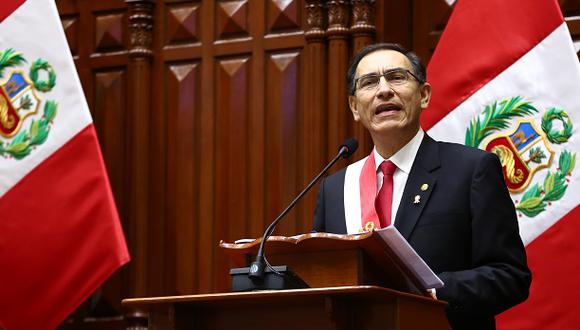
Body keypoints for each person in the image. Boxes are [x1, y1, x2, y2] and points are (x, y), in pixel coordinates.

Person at [313, 43, 531, 330]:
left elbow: (510, 276)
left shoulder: (471, 170)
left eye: (397, 77)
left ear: (424, 95)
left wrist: (432, 292)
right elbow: (321, 278)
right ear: (355, 107)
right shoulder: (335, 188)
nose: (383, 90)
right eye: (368, 83)